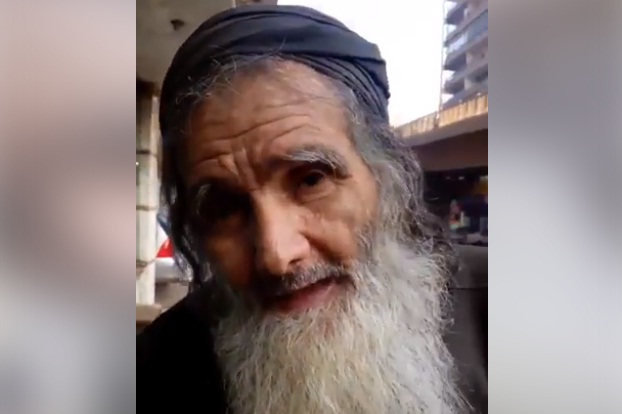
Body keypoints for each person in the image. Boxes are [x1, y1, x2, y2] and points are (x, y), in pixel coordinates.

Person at [137, 5, 487, 414]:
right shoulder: (153, 375)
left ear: (385, 178)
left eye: (310, 180)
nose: (276, 255)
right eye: (224, 208)